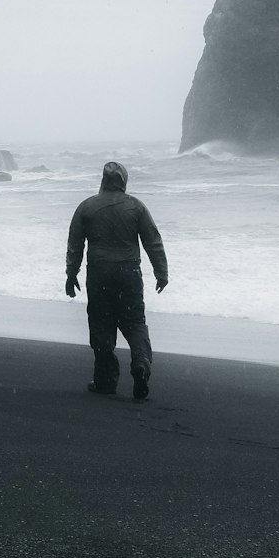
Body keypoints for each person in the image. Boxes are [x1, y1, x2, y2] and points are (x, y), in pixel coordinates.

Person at [65, 160, 168, 400]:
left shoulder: (86, 207)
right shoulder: (136, 207)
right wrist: (161, 272)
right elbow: (153, 240)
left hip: (99, 273)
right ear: (124, 181)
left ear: (103, 180)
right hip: (129, 273)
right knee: (134, 323)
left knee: (101, 325)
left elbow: (75, 244)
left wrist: (71, 274)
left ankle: (106, 381)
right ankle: (141, 363)